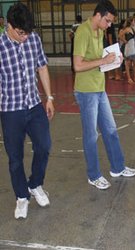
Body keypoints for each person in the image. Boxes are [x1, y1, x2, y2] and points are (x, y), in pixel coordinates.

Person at [73, 0, 135, 190]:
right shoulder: (83, 32)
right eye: (108, 21)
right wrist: (103, 59)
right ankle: (93, 175)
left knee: (110, 129)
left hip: (99, 88)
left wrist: (114, 59)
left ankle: (117, 167)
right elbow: (78, 65)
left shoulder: (99, 31)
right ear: (99, 15)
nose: (109, 25)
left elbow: (98, 59)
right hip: (86, 92)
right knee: (91, 135)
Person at [0, 3, 55, 219]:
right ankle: (22, 197)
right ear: (8, 25)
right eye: (21, 33)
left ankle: (35, 184)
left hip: (34, 105)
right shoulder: (1, 45)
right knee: (15, 158)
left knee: (44, 146)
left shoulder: (34, 39)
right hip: (10, 109)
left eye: (27, 33)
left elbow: (41, 66)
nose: (25, 38)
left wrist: (49, 97)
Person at [121, 16, 135, 84]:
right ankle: (129, 78)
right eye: (133, 21)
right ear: (131, 22)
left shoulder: (131, 28)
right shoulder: (127, 29)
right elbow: (120, 35)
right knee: (128, 63)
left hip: (132, 47)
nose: (134, 22)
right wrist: (124, 41)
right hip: (129, 47)